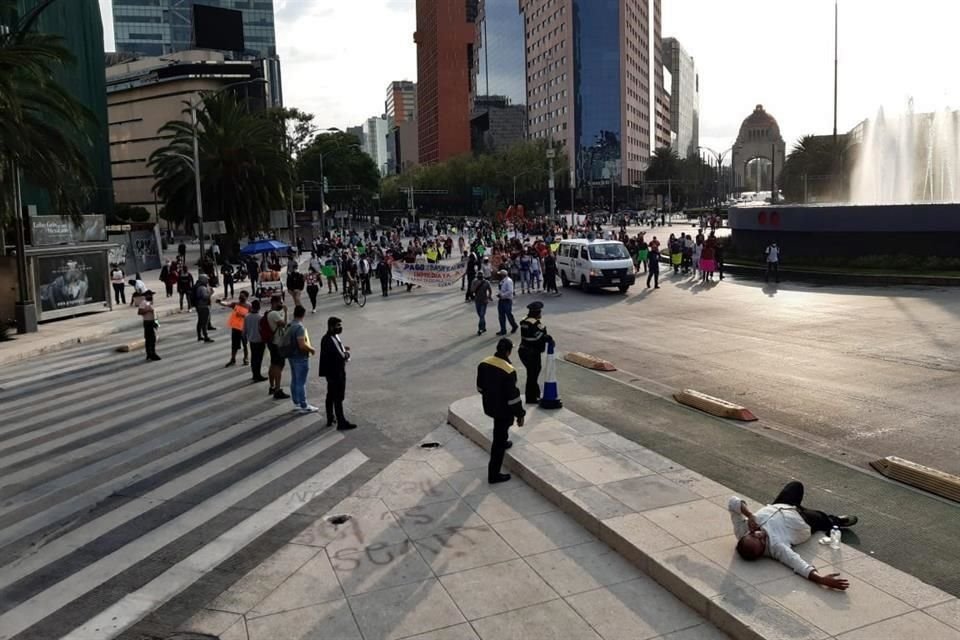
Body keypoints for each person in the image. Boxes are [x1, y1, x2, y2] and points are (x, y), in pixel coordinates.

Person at [729, 482, 858, 591]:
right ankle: (835, 521)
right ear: (763, 549)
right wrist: (821, 579)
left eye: (753, 534)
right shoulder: (777, 547)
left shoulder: (742, 530)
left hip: (781, 505)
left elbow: (732, 501)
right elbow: (797, 563)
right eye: (761, 539)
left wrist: (749, 515)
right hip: (803, 520)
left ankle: (799, 506)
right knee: (822, 517)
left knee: (796, 486)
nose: (758, 534)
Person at [476, 338, 526, 484]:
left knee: (500, 430)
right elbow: (513, 398)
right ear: (508, 352)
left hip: (489, 405)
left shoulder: (484, 363)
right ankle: (494, 474)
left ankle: (504, 442)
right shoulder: (509, 370)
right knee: (498, 438)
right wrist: (520, 414)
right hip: (503, 410)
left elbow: (479, 387)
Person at [318, 316, 357, 430]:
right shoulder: (330, 339)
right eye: (338, 326)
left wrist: (343, 348)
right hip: (336, 372)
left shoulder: (330, 338)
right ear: (331, 327)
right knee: (338, 397)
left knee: (330, 395)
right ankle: (341, 422)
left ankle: (330, 417)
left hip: (331, 372)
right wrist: (346, 354)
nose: (340, 328)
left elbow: (336, 350)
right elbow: (340, 356)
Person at [517, 301, 554, 404]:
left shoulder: (525, 320)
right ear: (537, 313)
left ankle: (535, 394)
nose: (540, 314)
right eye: (540, 312)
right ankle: (531, 398)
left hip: (523, 351)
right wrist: (548, 338)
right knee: (533, 375)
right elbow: (538, 337)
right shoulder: (535, 324)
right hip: (531, 353)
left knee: (532, 374)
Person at [286, 305, 319, 414]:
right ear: (303, 314)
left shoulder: (290, 325)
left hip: (291, 355)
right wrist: (311, 349)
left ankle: (296, 402)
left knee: (294, 379)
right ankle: (304, 404)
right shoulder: (299, 327)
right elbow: (302, 344)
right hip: (300, 356)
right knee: (301, 381)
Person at [265, 295, 290, 399]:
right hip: (277, 344)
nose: (281, 304)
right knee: (278, 366)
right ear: (274, 303)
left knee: (273, 364)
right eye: (280, 302)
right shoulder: (274, 314)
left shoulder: (269, 313)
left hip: (272, 343)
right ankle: (277, 389)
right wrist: (285, 312)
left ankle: (272, 386)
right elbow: (284, 324)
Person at [218, 290, 250, 367]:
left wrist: (244, 316)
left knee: (245, 344)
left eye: (242, 296)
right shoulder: (236, 304)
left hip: (243, 328)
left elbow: (251, 315)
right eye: (240, 295)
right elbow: (227, 304)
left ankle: (246, 358)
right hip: (235, 327)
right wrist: (220, 302)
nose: (240, 297)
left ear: (246, 297)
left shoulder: (249, 306)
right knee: (234, 345)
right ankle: (233, 359)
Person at [244, 299, 268, 382]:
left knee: (254, 357)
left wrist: (245, 338)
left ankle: (254, 374)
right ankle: (258, 374)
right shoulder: (260, 317)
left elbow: (244, 329)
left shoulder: (247, 317)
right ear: (259, 307)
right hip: (260, 340)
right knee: (259, 358)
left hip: (252, 340)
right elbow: (263, 329)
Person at [138, 290, 161, 361]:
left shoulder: (150, 303)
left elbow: (154, 313)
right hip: (147, 322)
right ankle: (151, 354)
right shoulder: (143, 302)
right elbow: (139, 312)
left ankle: (150, 353)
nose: (151, 296)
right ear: (146, 296)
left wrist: (157, 322)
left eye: (151, 295)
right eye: (150, 295)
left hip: (152, 321)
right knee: (150, 339)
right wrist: (148, 311)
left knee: (152, 339)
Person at [495, 269, 519, 336]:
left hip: (507, 300)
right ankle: (503, 330)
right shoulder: (502, 281)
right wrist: (499, 294)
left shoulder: (508, 281)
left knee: (508, 314)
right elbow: (501, 289)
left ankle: (514, 326)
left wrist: (502, 295)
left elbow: (510, 291)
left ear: (503, 275)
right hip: (501, 300)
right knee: (501, 316)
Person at [194, 274, 214, 343]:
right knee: (204, 322)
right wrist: (211, 293)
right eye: (206, 279)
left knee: (200, 321)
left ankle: (199, 336)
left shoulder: (199, 286)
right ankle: (206, 337)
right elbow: (205, 297)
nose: (207, 280)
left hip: (199, 306)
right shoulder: (202, 288)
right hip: (203, 306)